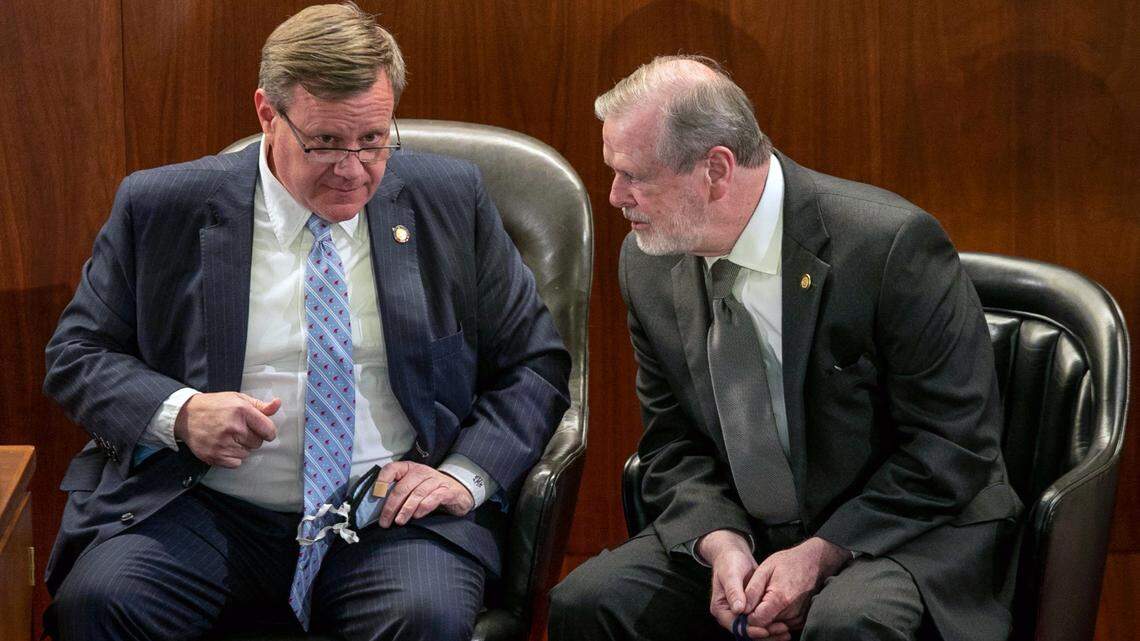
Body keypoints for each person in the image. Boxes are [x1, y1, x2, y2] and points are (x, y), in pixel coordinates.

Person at [41, 4, 570, 640]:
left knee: (424, 618)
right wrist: (178, 412)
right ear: (267, 112)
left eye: (373, 140)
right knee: (100, 604)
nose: (352, 169)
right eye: (324, 142)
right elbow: (77, 354)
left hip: (385, 514)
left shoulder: (450, 200)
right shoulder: (163, 207)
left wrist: (460, 477)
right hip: (202, 504)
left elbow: (534, 365)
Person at [550, 55, 1020, 641]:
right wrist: (720, 543)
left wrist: (822, 553)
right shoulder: (648, 264)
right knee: (589, 601)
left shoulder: (888, 246)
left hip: (903, 529)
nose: (616, 196)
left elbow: (954, 445)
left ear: (716, 170)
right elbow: (672, 439)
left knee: (849, 622)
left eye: (635, 176)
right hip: (751, 528)